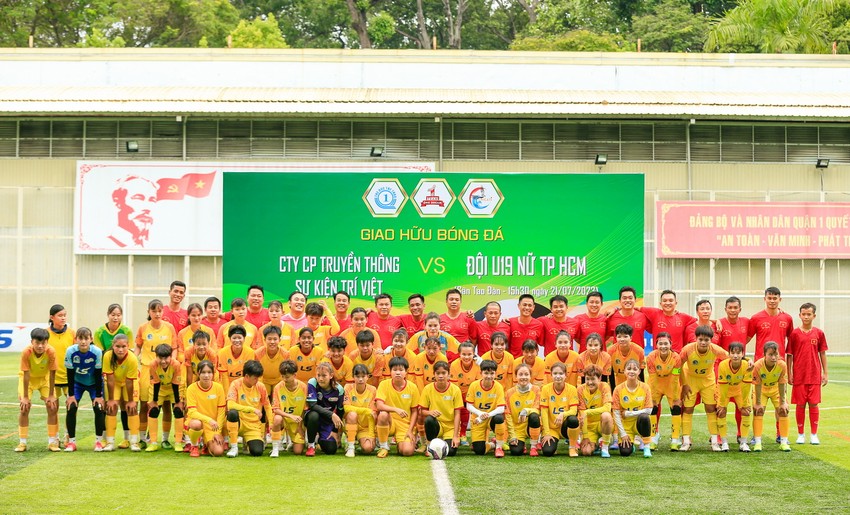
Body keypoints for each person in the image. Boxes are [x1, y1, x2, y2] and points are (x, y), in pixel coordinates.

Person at [135, 299, 177, 449]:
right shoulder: (142, 328)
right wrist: (134, 359)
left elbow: (174, 348)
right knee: (146, 404)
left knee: (166, 405)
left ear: (162, 312)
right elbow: (138, 347)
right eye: (154, 311)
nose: (157, 314)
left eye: (159, 311)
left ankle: (165, 439)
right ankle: (142, 438)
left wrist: (174, 363)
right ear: (149, 312)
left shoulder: (170, 328)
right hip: (147, 369)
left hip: (166, 369)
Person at [679, 325, 728, 452]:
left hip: (708, 381)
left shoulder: (715, 349)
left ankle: (714, 441)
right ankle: (686, 441)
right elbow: (677, 366)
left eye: (706, 340)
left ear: (711, 340)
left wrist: (746, 362)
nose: (703, 342)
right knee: (688, 409)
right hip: (690, 380)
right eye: (700, 339)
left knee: (711, 408)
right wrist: (683, 384)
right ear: (696, 339)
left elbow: (730, 358)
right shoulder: (688, 349)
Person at [787, 303, 828, 445]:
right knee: (800, 405)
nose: (806, 316)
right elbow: (790, 355)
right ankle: (800, 434)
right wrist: (789, 372)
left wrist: (825, 373)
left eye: (808, 314)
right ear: (799, 315)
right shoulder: (794, 334)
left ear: (814, 316)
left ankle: (814, 434)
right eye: (803, 314)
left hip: (814, 375)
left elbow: (822, 353)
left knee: (813, 404)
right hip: (799, 375)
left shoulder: (819, 333)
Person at [16, 328, 59, 452]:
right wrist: (25, 397)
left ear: (47, 342)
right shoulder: (26, 352)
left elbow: (52, 374)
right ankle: (22, 443)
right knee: (24, 408)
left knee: (52, 406)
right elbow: (26, 375)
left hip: (44, 379)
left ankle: (52, 442)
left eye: (43, 343)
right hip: (27, 380)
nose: (40, 346)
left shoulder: (51, 351)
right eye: (37, 343)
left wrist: (51, 395)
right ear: (32, 342)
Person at [64, 327, 105, 452]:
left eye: (86, 339)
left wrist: (98, 395)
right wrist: (71, 395)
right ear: (76, 339)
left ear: (91, 339)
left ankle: (99, 441)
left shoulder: (97, 352)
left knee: (98, 408)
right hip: (77, 383)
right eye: (80, 338)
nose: (83, 342)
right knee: (71, 408)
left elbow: (98, 374)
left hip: (94, 383)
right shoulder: (70, 351)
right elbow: (69, 374)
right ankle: (72, 442)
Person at [226, 360, 273, 457]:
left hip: (253, 425)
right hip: (239, 422)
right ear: (246, 376)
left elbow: (267, 406)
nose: (257, 381)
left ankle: (246, 442)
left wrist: (271, 423)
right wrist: (252, 409)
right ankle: (234, 447)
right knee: (232, 413)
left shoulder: (260, 386)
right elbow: (230, 405)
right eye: (255, 378)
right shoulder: (235, 384)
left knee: (257, 452)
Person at [644, 332, 683, 451]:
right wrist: (654, 398)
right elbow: (653, 378)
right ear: (656, 345)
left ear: (671, 344)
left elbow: (676, 378)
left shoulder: (676, 358)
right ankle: (653, 437)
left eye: (666, 343)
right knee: (653, 409)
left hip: (671, 384)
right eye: (660, 343)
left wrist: (676, 396)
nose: (663, 346)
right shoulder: (651, 357)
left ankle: (675, 439)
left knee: (676, 408)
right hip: (656, 384)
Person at [103, 334, 141, 451]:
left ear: (128, 346)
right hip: (114, 382)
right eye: (117, 346)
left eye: (123, 346)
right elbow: (110, 379)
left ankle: (133, 441)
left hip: (129, 382)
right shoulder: (108, 356)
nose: (120, 349)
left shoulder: (132, 358)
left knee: (132, 408)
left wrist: (130, 401)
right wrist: (110, 399)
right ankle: (110, 442)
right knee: (111, 407)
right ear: (113, 346)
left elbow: (130, 382)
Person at [375, 356, 420, 458]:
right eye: (394, 370)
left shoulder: (412, 387)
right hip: (390, 422)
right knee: (383, 414)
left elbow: (415, 411)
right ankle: (384, 446)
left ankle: (404, 444)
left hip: (405, 424)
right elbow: (379, 405)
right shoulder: (384, 384)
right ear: (390, 371)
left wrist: (410, 430)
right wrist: (395, 409)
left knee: (407, 452)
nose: (398, 372)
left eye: (401, 370)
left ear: (406, 372)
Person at [752, 341, 791, 452]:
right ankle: (758, 442)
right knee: (758, 410)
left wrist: (783, 402)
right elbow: (757, 385)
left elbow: (782, 384)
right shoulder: (758, 365)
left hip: (775, 390)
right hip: (762, 390)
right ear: (765, 354)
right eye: (770, 355)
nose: (773, 357)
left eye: (776, 354)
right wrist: (758, 403)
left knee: (783, 410)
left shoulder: (782, 365)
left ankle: (784, 442)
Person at [145, 344, 185, 452]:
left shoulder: (176, 364)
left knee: (178, 411)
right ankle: (153, 443)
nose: (163, 361)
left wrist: (178, 402)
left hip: (174, 388)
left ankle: (178, 442)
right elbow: (156, 383)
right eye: (160, 358)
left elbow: (176, 383)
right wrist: (154, 401)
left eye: (166, 358)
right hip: (159, 388)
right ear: (156, 356)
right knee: (153, 411)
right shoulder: (152, 364)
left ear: (171, 356)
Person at [611, 359, 654, 458]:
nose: (631, 371)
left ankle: (647, 446)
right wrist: (622, 434)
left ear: (639, 371)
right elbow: (616, 413)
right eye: (629, 369)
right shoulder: (618, 389)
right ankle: (631, 445)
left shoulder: (645, 387)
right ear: (624, 371)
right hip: (626, 426)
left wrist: (629, 413)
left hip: (639, 423)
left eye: (635, 369)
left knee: (644, 417)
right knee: (625, 452)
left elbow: (649, 410)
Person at [420, 361, 463, 457]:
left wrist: (456, 436)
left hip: (450, 427)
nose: (441, 376)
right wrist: (430, 412)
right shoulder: (428, 389)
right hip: (437, 425)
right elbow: (422, 411)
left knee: (450, 452)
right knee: (429, 419)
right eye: (438, 373)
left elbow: (457, 414)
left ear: (448, 375)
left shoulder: (455, 390)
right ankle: (429, 445)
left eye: (443, 373)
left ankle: (446, 439)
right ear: (434, 375)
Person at [716, 342, 753, 452]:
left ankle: (744, 442)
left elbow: (746, 386)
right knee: (721, 412)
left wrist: (746, 404)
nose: (735, 356)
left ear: (743, 354)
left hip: (739, 390)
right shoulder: (723, 365)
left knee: (746, 412)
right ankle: (724, 442)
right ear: (729, 354)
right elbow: (722, 387)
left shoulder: (747, 365)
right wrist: (722, 404)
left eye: (738, 353)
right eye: (733, 353)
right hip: (725, 391)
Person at [466, 360, 508, 457]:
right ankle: (493, 444)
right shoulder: (474, 385)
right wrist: (480, 414)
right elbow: (469, 406)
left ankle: (499, 447)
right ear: (481, 373)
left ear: (495, 374)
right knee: (479, 450)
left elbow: (501, 408)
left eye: (492, 373)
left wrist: (486, 415)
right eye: (486, 373)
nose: (489, 376)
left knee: (499, 418)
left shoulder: (498, 387)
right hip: (477, 420)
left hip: (490, 418)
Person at [185, 360, 227, 457]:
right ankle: (194, 446)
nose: (206, 375)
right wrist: (208, 420)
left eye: (209, 372)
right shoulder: (191, 388)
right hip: (198, 422)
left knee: (218, 452)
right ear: (198, 373)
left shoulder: (218, 388)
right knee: (196, 424)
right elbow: (191, 412)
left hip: (213, 426)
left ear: (213, 374)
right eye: (203, 372)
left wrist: (218, 432)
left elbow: (221, 412)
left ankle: (206, 445)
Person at [304, 362, 346, 456]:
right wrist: (331, 414)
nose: (320, 378)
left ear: (331, 375)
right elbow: (312, 405)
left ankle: (319, 439)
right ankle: (311, 445)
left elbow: (340, 410)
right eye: (318, 375)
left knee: (331, 450)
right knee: (314, 415)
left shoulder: (339, 389)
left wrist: (334, 431)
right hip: (312, 417)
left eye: (324, 375)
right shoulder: (312, 382)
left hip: (327, 421)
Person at [540, 362, 580, 457]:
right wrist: (547, 433)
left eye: (561, 373)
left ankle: (572, 448)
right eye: (555, 373)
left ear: (566, 375)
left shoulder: (572, 389)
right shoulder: (545, 389)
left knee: (573, 419)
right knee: (547, 452)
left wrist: (563, 414)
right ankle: (554, 445)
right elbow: (544, 412)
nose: (558, 376)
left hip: (565, 427)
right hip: (552, 428)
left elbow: (574, 411)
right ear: (551, 375)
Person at [47, 304, 73, 445]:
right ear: (52, 317)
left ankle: (68, 437)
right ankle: (54, 439)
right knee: (52, 409)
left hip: (69, 379)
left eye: (65, 315)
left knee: (71, 409)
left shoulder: (72, 333)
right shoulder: (46, 334)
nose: (63, 318)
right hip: (51, 379)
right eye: (60, 315)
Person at [269, 360, 308, 457]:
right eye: (282, 376)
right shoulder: (278, 387)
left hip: (297, 422)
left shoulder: (303, 387)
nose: (284, 379)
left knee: (298, 452)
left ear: (294, 375)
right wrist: (290, 416)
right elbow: (276, 409)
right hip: (284, 419)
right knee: (277, 418)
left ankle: (294, 441)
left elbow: (305, 409)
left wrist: (300, 427)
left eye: (287, 377)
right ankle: (275, 448)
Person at [108, 175, 157, 248]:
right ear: (118, 202)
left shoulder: (152, 247)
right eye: (139, 198)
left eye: (152, 200)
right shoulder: (105, 245)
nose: (147, 208)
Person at [505, 363, 542, 456]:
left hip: (532, 426)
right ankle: (522, 444)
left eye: (526, 374)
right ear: (516, 377)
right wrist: (512, 435)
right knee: (516, 452)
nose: (523, 377)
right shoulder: (509, 393)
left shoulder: (536, 390)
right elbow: (507, 415)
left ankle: (534, 446)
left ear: (530, 376)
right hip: (518, 429)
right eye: (520, 374)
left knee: (534, 416)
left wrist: (526, 410)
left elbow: (537, 409)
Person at [577, 364, 613, 458]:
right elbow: (581, 413)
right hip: (589, 426)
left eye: (593, 379)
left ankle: (605, 446)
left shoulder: (604, 386)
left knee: (606, 415)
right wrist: (585, 436)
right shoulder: (580, 389)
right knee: (586, 452)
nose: (590, 382)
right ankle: (596, 444)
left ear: (600, 378)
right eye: (587, 379)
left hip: (602, 423)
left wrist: (588, 412)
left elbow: (607, 408)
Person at [748, 286, 794, 360]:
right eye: (769, 298)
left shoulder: (787, 318)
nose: (772, 301)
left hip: (779, 361)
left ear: (780, 299)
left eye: (775, 298)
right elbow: (746, 339)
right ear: (764, 299)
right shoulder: (756, 318)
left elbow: (792, 342)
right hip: (761, 361)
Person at [343, 364, 378, 457]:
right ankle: (350, 446)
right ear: (353, 377)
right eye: (357, 376)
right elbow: (346, 408)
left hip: (365, 427)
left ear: (368, 377)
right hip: (350, 422)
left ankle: (362, 441)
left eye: (363, 376)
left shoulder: (373, 390)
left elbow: (372, 414)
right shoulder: (347, 387)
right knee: (352, 414)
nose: (360, 379)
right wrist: (366, 411)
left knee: (368, 449)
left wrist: (371, 435)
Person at [450, 341, 480, 444]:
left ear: (473, 354)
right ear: (459, 354)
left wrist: (469, 397)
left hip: (472, 393)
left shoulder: (477, 365)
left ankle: (467, 434)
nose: (466, 357)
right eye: (464, 354)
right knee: (460, 410)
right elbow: (454, 386)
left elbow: (477, 384)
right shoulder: (454, 365)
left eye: (469, 354)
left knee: (470, 410)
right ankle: (459, 433)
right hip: (458, 392)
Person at [216, 325, 256, 392]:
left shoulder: (250, 352)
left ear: (244, 338)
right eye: (234, 338)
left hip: (242, 385)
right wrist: (228, 394)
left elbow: (248, 375)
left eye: (240, 338)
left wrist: (242, 390)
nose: (237, 340)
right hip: (227, 384)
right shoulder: (222, 352)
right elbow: (224, 376)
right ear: (229, 338)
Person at [608, 324, 646, 389]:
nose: (622, 339)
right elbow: (610, 374)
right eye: (619, 337)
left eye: (625, 336)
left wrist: (642, 389)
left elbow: (641, 372)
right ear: (616, 338)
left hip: (635, 383)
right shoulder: (610, 351)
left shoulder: (639, 351)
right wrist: (613, 390)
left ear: (631, 338)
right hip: (618, 384)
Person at [255, 325, 289, 394]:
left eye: (275, 339)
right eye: (269, 339)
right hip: (263, 380)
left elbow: (286, 372)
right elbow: (257, 372)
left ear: (279, 340)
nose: (272, 342)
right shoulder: (258, 353)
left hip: (279, 380)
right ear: (264, 340)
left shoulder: (285, 354)